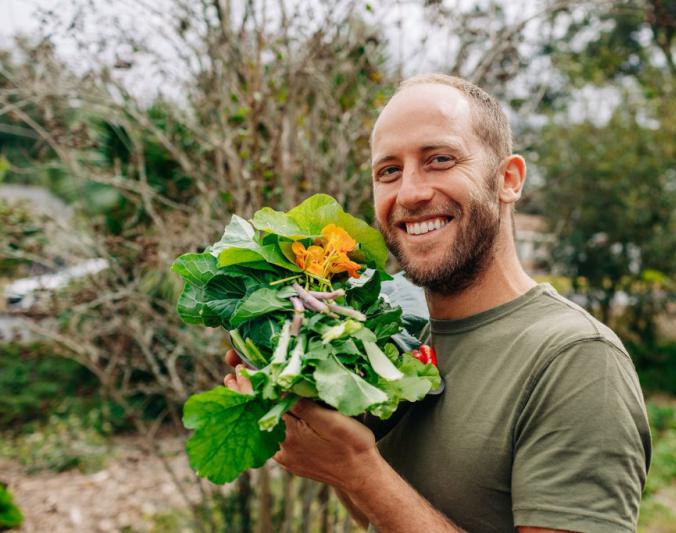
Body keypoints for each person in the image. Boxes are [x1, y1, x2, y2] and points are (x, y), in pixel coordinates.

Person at [224, 73, 652, 532]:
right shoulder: (394, 340)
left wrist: (359, 470)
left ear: (508, 179)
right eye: (388, 171)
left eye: (440, 160)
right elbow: (382, 515)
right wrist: (323, 436)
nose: (409, 192)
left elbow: (372, 482)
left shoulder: (577, 359)